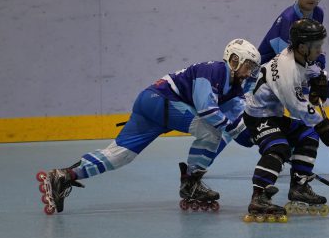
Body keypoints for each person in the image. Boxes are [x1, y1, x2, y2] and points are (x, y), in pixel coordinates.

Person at [36, 39, 261, 214]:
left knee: (120, 155)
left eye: (253, 68)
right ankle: (191, 182)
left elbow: (241, 132)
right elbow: (207, 109)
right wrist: (233, 128)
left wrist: (261, 139)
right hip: (160, 101)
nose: (249, 73)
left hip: (150, 103)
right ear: (233, 59)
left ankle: (65, 175)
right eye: (248, 66)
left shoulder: (234, 90)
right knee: (210, 129)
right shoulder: (213, 71)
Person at [242, 18, 329, 222]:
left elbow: (314, 71)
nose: (321, 49)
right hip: (257, 117)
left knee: (308, 133)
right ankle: (258, 196)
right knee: (279, 147)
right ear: (303, 47)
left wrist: (325, 81)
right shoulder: (287, 70)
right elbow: (297, 107)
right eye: (317, 46)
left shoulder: (300, 57)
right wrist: (324, 126)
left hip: (273, 116)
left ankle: (299, 185)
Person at [258, 0, 328, 68]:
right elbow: (285, 60)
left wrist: (318, 60)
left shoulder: (318, 13)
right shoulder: (288, 18)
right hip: (268, 67)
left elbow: (314, 45)